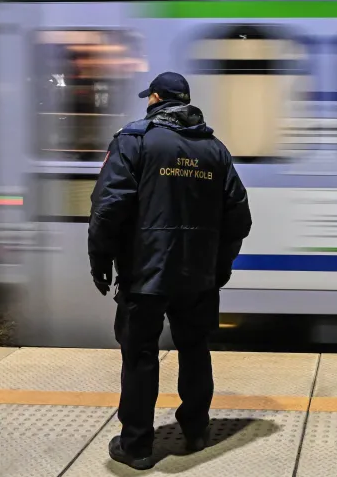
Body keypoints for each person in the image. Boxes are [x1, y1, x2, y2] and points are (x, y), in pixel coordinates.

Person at [88, 71, 252, 470]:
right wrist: (219, 267)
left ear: (156, 98)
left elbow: (108, 207)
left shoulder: (134, 141)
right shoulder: (214, 150)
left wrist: (100, 261)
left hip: (145, 274)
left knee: (140, 355)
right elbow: (239, 219)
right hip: (198, 277)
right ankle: (195, 430)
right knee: (195, 350)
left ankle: (137, 445)